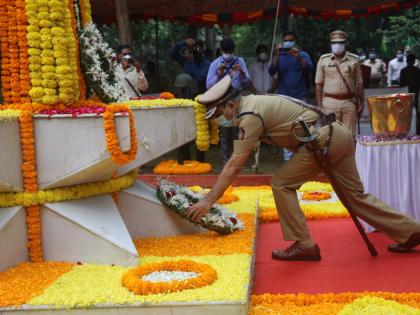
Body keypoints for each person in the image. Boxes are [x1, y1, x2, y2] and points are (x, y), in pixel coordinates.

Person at [186, 75, 420, 261]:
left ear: (230, 104)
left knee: (281, 183)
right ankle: (410, 231)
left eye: (217, 113)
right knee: (355, 197)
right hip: (337, 134)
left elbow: (235, 163)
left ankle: (304, 245)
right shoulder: (255, 102)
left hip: (321, 141)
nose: (218, 119)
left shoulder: (249, 114)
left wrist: (208, 201)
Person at [206, 38, 253, 164]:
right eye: (226, 51)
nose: (228, 54)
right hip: (223, 101)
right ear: (221, 51)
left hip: (238, 99)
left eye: (230, 51)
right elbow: (208, 86)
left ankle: (238, 160)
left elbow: (248, 83)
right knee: (225, 132)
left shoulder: (240, 61)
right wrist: (219, 74)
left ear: (234, 51)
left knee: (239, 131)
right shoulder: (215, 64)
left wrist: (242, 72)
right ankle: (226, 161)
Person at [269, 31, 313, 161]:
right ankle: (288, 158)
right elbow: (271, 71)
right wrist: (276, 55)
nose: (288, 43)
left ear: (295, 42)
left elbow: (310, 69)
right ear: (282, 43)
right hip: (284, 97)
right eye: (286, 40)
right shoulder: (280, 56)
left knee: (303, 127)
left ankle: (303, 156)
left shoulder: (302, 54)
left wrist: (298, 57)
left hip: (300, 96)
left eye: (290, 40)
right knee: (286, 128)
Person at [315, 30, 363, 137]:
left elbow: (359, 84)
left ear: (345, 44)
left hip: (349, 102)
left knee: (349, 136)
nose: (338, 45)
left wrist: (361, 103)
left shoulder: (354, 60)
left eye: (341, 42)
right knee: (330, 136)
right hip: (330, 102)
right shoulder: (323, 60)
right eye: (335, 43)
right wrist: (319, 107)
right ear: (331, 44)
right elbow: (318, 85)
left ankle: (348, 154)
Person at [174, 73, 205, 163]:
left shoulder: (195, 95)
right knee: (183, 141)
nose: (182, 89)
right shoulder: (177, 97)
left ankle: (200, 160)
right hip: (182, 121)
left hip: (194, 120)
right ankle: (185, 159)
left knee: (199, 140)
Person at [400, 53, 420, 135]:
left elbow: (401, 84)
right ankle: (417, 131)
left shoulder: (403, 71)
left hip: (407, 95)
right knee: (417, 113)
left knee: (405, 113)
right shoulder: (417, 71)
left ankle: (405, 130)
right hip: (415, 94)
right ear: (414, 61)